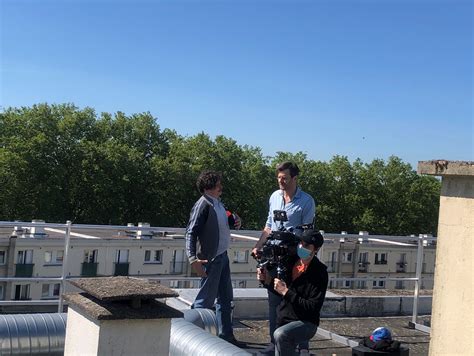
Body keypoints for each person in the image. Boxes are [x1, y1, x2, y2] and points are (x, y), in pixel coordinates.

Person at [252, 161, 316, 354]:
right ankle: (275, 343)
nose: (281, 181)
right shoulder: (274, 197)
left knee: (293, 301)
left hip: (294, 258)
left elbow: (308, 235)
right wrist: (258, 246)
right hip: (274, 256)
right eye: (279, 178)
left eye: (285, 178)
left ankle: (301, 347)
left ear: (294, 179)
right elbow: (268, 226)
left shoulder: (306, 201)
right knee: (273, 302)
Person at [185, 170, 243, 346]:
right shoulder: (202, 205)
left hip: (222, 257)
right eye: (218, 185)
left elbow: (225, 219)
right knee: (204, 302)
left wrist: (235, 220)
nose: (221, 188)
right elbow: (190, 232)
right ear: (208, 187)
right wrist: (192, 259)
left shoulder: (217, 203)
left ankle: (226, 337)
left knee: (226, 299)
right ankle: (190, 338)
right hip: (211, 259)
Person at [257, 229, 328, 356]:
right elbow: (281, 291)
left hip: (306, 322)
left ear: (315, 249)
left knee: (281, 335)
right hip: (285, 319)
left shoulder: (319, 272)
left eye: (306, 245)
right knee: (280, 339)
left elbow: (312, 307)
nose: (301, 247)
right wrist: (266, 280)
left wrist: (286, 292)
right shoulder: (292, 262)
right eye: (300, 243)